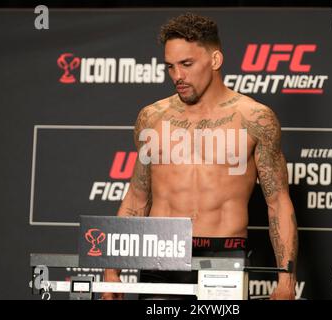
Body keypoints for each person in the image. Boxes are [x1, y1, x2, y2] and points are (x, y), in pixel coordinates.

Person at [102, 12, 298, 300]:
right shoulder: (152, 118)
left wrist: (286, 278)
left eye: (187, 64)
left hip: (224, 253)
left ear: (215, 60)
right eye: (170, 67)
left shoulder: (254, 118)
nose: (177, 76)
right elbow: (137, 197)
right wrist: (111, 271)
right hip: (161, 252)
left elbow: (278, 202)